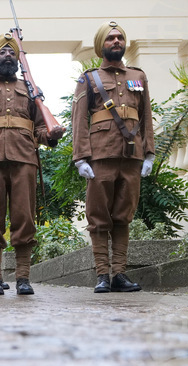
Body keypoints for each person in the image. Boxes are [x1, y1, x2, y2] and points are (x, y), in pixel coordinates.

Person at [0, 34, 64, 296]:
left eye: (12, 52)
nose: (8, 55)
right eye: (2, 52)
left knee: (25, 218)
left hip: (24, 159)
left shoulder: (31, 90)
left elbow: (40, 128)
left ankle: (23, 278)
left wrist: (51, 136)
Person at [72, 21, 154, 293]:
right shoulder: (89, 78)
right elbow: (79, 121)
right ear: (101, 45)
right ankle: (102, 275)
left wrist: (149, 153)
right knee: (98, 217)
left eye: (119, 37)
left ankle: (119, 274)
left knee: (123, 216)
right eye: (110, 38)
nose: (116, 41)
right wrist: (81, 157)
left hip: (131, 155)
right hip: (100, 154)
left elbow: (146, 118)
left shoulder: (138, 76)